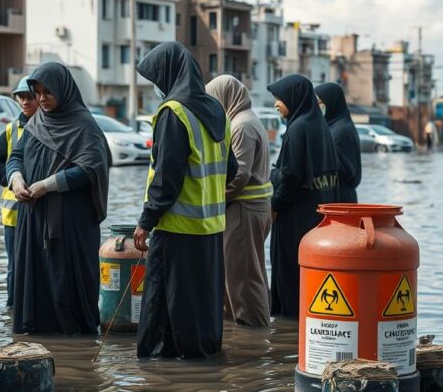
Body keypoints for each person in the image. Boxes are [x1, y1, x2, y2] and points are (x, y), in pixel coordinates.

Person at [132, 42, 232, 358]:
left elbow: (166, 178)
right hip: (211, 228)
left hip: (176, 228)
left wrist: (146, 220)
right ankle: (203, 356)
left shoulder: (173, 112)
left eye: (156, 79)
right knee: (202, 301)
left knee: (164, 302)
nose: (156, 86)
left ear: (168, 75)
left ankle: (162, 369)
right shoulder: (217, 110)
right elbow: (232, 169)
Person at [7, 62, 109, 335]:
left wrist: (48, 185)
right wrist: (16, 178)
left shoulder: (84, 125)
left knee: (68, 282)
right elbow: (16, 156)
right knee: (36, 281)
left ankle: (76, 344)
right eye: (37, 93)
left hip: (71, 223)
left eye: (47, 93)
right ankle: (40, 335)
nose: (41, 99)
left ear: (63, 90)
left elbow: (91, 168)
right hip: (34, 217)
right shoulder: (36, 122)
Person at [267, 75, 341, 318]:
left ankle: (287, 328)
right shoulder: (320, 126)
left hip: (295, 215)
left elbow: (290, 176)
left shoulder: (298, 129)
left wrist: (274, 204)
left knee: (289, 270)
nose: (276, 104)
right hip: (317, 213)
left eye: (280, 98)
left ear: (294, 99)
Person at [206, 75, 273, 328]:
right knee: (242, 273)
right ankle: (243, 328)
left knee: (244, 278)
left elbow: (241, 173)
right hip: (252, 209)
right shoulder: (248, 120)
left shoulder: (241, 126)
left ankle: (253, 337)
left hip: (244, 211)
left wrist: (215, 201)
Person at [0, 74, 38, 307]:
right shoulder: (11, 130)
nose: (25, 102)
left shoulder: (52, 126)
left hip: (40, 213)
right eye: (21, 98)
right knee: (16, 268)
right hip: (14, 215)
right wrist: (10, 180)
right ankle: (13, 311)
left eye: (30, 97)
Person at [315, 82, 362, 203]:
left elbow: (346, 171)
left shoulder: (341, 131)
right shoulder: (334, 126)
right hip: (336, 195)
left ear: (332, 103)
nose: (317, 107)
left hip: (341, 199)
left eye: (320, 103)